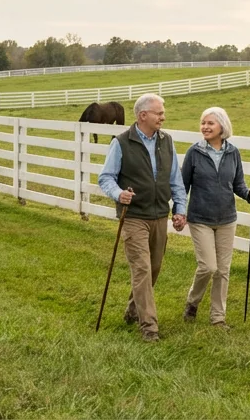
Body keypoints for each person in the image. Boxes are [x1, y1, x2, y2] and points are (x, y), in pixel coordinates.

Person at [97, 93, 188, 342]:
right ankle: (149, 327)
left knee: (154, 268)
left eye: (162, 112)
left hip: (159, 214)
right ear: (143, 115)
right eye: (159, 113)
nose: (163, 117)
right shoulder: (122, 142)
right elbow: (106, 177)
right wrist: (118, 194)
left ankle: (132, 309)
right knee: (142, 268)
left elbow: (175, 180)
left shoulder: (167, 141)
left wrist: (180, 210)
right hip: (134, 216)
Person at [180, 106, 250, 329]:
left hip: (227, 218)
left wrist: (248, 195)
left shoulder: (233, 152)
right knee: (208, 267)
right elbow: (183, 185)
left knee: (223, 270)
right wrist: (178, 210)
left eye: (210, 123)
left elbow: (238, 184)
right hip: (200, 218)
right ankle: (192, 302)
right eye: (203, 122)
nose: (205, 127)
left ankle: (218, 318)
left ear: (222, 126)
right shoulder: (194, 152)